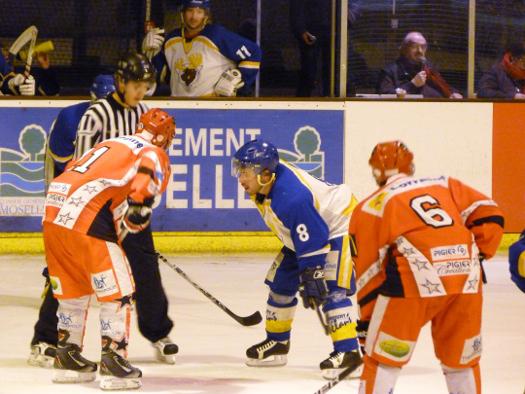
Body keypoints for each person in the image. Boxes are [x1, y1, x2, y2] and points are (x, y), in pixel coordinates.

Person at [29, 54, 178, 369]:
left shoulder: (142, 113)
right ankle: (45, 338)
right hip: (94, 207)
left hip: (127, 202)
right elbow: (82, 163)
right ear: (121, 81)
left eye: (145, 86)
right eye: (136, 85)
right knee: (69, 274)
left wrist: (133, 209)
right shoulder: (97, 113)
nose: (140, 92)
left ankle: (157, 332)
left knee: (146, 266)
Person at [349, 141, 504, 394]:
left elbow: (368, 272)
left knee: (382, 359)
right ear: (411, 166)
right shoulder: (444, 184)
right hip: (465, 279)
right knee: (461, 362)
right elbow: (491, 214)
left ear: (375, 171)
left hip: (411, 282)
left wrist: (368, 325)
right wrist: (476, 255)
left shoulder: (368, 207)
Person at [44, 108, 175, 390]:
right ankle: (113, 361)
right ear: (165, 138)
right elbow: (151, 166)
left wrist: (125, 219)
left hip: (54, 209)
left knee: (73, 289)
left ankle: (67, 355)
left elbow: (83, 177)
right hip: (87, 216)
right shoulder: (152, 150)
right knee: (119, 292)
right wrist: (140, 207)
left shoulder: (111, 143)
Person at [231, 139, 362, 379]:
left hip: (339, 226)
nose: (240, 177)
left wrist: (313, 274)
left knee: (331, 290)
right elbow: (304, 232)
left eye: (245, 171)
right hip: (306, 233)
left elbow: (317, 236)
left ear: (265, 174)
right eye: (239, 170)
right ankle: (277, 341)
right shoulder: (263, 185)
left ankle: (349, 351)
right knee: (281, 282)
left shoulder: (291, 197)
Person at [28, 74, 116, 368]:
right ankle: (45, 340)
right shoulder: (72, 120)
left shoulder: (121, 121)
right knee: (64, 269)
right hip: (67, 198)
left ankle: (77, 345)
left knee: (99, 277)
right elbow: (68, 172)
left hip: (96, 203)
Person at [142, 0, 261, 97]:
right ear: (182, 13)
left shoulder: (217, 35)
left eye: (199, 11)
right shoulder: (171, 39)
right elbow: (161, 76)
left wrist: (237, 79)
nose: (194, 16)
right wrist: (150, 54)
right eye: (190, 10)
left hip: (211, 108)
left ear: (206, 15)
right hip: (178, 106)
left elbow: (254, 53)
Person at [290, 0, 363, 97]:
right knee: (309, 72)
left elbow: (355, 5)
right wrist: (300, 29)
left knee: (337, 71)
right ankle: (302, 104)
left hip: (338, 30)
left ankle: (334, 99)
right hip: (312, 29)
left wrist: (346, 19)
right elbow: (297, 4)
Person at [377, 32, 463, 98]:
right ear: (404, 48)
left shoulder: (427, 67)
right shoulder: (390, 71)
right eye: (414, 46)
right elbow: (384, 97)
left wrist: (453, 93)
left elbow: (442, 85)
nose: (420, 51)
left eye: (423, 47)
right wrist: (412, 84)